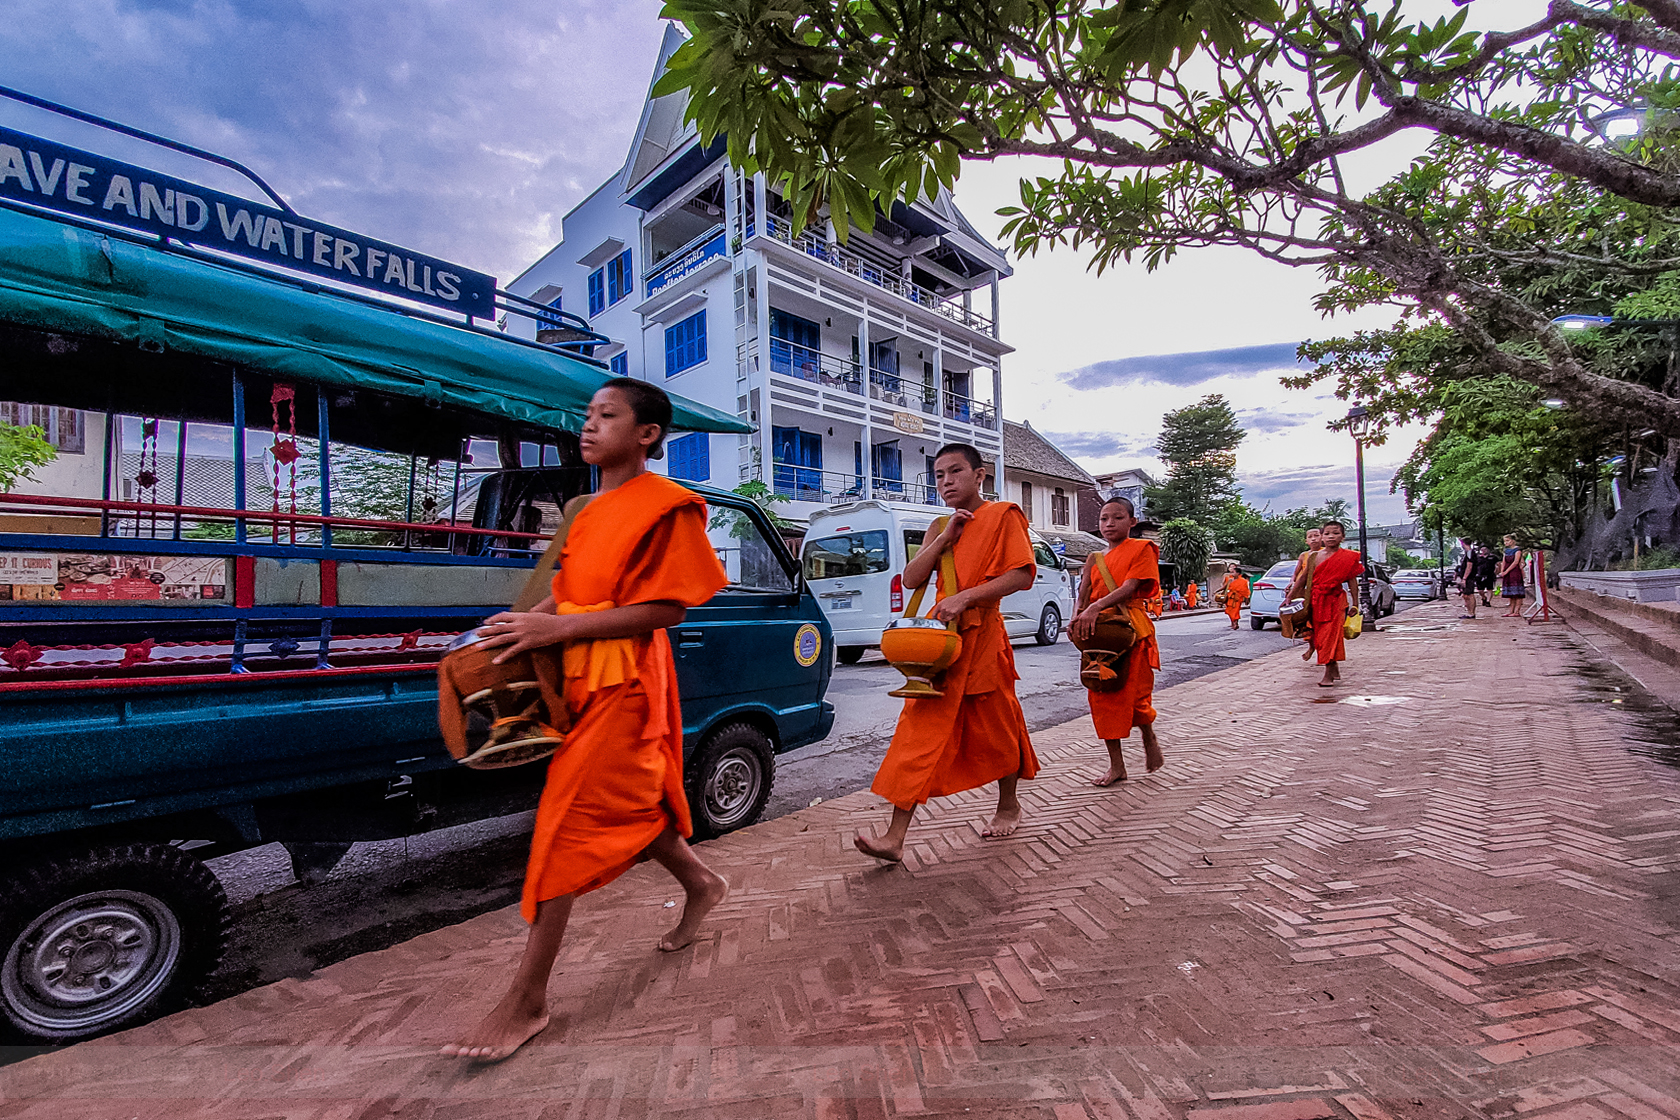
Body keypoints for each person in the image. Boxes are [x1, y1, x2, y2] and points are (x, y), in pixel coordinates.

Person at [442, 379, 729, 1063]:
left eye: (607, 416)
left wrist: (553, 629)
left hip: (629, 684)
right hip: (579, 682)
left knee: (564, 825)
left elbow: (666, 610)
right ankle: (702, 883)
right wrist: (507, 633)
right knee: (624, 807)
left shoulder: (669, 506)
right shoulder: (591, 512)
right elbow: (569, 598)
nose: (589, 425)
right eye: (588, 415)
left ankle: (528, 999)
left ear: (647, 434)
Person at [855, 443, 1040, 861]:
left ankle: (1008, 803)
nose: (946, 482)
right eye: (938, 475)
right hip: (941, 648)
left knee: (999, 729)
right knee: (916, 733)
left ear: (981, 474)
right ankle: (894, 838)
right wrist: (943, 540)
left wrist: (967, 598)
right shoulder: (939, 524)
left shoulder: (1004, 515)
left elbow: (1021, 575)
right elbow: (911, 577)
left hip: (984, 642)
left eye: (955, 472)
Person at [1072, 496, 1164, 786]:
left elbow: (1132, 586)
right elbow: (1084, 593)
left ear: (1132, 522)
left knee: (1134, 696)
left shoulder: (1142, 548)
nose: (1109, 524)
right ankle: (1117, 766)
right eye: (1104, 519)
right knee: (1102, 695)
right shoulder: (1093, 558)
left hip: (1129, 630)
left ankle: (1148, 735)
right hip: (1098, 632)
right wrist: (1076, 620)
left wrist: (1095, 607)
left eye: (1117, 518)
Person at [1287, 520, 1363, 687]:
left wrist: (1355, 604)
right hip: (1316, 600)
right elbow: (1302, 580)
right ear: (1322, 537)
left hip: (1336, 601)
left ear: (1342, 537)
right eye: (1327, 533)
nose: (1331, 536)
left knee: (1331, 636)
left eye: (1335, 533)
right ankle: (1333, 665)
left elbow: (1352, 583)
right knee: (1320, 637)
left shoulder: (1348, 557)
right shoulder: (1314, 557)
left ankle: (1328, 673)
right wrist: (1290, 597)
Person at [1289, 528, 1324, 658]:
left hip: (1320, 591)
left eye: (1316, 535)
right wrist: (1292, 584)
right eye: (1310, 536)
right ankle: (1311, 647)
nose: (1313, 538)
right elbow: (1297, 573)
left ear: (1322, 538)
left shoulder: (1326, 554)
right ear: (1306, 541)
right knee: (1305, 624)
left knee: (1319, 623)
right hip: (1304, 592)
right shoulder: (1304, 556)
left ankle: (1323, 652)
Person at [1498, 534, 1528, 617]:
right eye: (1505, 541)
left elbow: (1515, 562)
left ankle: (1517, 611)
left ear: (1512, 541)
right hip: (1507, 573)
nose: (1506, 543)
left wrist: (1506, 571)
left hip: (1515, 572)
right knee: (1510, 593)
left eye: (1508, 541)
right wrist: (1502, 571)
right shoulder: (1506, 551)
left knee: (1517, 592)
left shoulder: (1517, 550)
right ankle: (1511, 611)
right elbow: (1503, 561)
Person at [1221, 562, 1250, 631]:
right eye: (1231, 568)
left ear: (1238, 573)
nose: (1232, 572)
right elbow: (1224, 587)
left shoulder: (1243, 581)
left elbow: (1246, 590)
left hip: (1237, 598)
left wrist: (1247, 598)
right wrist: (1217, 592)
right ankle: (1233, 622)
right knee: (1229, 610)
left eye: (1234, 571)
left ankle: (1235, 623)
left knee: (1236, 611)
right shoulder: (1229, 579)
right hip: (1230, 597)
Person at [1456, 547, 1479, 619]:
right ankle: (1469, 612)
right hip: (1467, 577)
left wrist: (1464, 578)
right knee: (1465, 595)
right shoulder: (1468, 553)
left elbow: (1469, 566)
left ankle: (1471, 613)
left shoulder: (1470, 553)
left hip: (1469, 578)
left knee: (1469, 595)